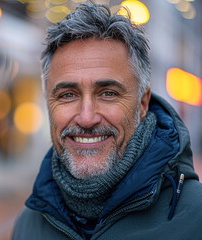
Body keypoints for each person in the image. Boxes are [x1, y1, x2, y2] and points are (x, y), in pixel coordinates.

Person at [12, 2, 202, 240]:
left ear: (143, 104)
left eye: (108, 93)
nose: (87, 118)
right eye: (68, 95)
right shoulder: (28, 224)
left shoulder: (196, 219)